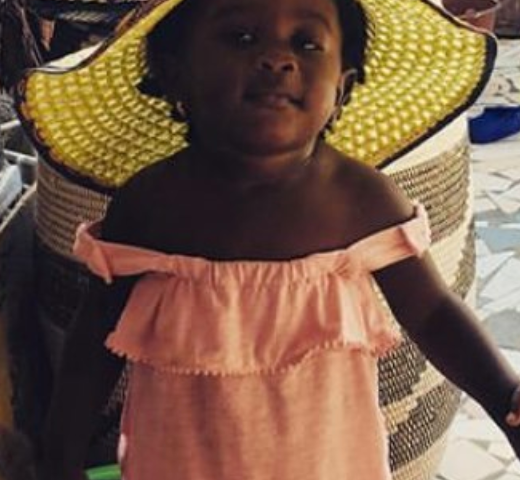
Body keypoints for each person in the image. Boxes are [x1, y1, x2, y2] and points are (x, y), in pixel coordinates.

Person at [17, 0, 520, 478]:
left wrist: (505, 395)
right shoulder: (152, 204)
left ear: (342, 88)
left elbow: (432, 313)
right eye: (240, 36)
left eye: (306, 43)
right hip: (178, 462)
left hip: (322, 464)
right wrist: (61, 448)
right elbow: (96, 333)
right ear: (174, 73)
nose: (277, 58)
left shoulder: (360, 201)